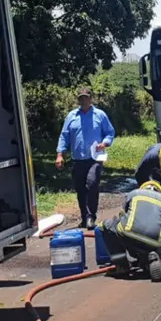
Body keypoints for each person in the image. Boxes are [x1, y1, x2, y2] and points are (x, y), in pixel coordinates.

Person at [56, 87, 116, 229]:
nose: (83, 100)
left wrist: (105, 143)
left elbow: (110, 132)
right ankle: (84, 216)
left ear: (91, 99)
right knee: (80, 189)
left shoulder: (100, 115)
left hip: (94, 159)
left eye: (85, 98)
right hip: (78, 160)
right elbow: (64, 135)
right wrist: (60, 155)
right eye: (80, 98)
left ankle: (91, 217)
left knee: (92, 183)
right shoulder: (71, 116)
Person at [97, 180, 161, 281]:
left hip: (128, 234)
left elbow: (125, 213)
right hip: (153, 242)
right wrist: (159, 251)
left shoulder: (134, 194)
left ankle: (121, 264)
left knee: (106, 225)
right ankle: (149, 259)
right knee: (149, 242)